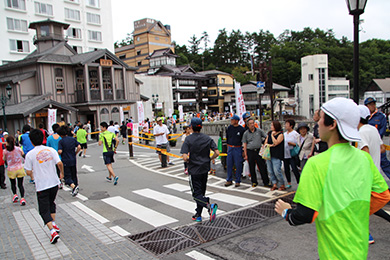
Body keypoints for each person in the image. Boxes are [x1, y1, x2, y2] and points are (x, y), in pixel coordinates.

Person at [274, 97, 390, 259]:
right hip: (360, 251)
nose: (317, 123)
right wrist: (355, 212)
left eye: (321, 118)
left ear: (333, 124)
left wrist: (286, 211)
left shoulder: (316, 164)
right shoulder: (365, 159)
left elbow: (306, 214)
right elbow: (383, 195)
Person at [24, 129, 65, 244]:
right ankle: (54, 223)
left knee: (43, 210)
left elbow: (27, 171)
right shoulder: (51, 150)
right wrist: (61, 173)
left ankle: (52, 231)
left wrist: (33, 174)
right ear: (43, 138)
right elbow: (60, 163)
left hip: (42, 185)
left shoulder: (30, 155)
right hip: (54, 183)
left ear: (31, 141)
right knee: (51, 202)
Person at [357, 105, 390, 244]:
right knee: (368, 206)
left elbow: (365, 155)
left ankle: (367, 235)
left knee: (360, 207)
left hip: (366, 176)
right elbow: (382, 149)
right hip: (376, 173)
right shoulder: (372, 129)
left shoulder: (360, 133)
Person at [180, 117, 219, 223]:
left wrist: (189, 159)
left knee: (196, 194)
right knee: (201, 192)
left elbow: (184, 157)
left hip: (194, 170)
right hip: (205, 169)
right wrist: (209, 159)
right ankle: (198, 215)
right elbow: (217, 153)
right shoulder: (207, 138)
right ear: (201, 127)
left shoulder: (188, 139)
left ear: (191, 127)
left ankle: (209, 206)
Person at [365, 97, 390, 180]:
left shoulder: (380, 116)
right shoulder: (365, 117)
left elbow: (382, 131)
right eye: (370, 104)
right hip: (366, 144)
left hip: (377, 143)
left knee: (384, 163)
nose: (372, 106)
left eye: (373, 104)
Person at [242, 118, 270, 187]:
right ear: (248, 125)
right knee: (252, 167)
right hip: (250, 151)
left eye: (253, 123)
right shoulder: (246, 133)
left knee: (262, 167)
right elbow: (244, 144)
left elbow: (266, 136)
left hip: (258, 150)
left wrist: (264, 144)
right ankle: (254, 181)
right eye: (250, 124)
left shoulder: (259, 131)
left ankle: (266, 182)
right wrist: (245, 154)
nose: (252, 125)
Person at [58, 126, 81, 197]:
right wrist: (75, 153)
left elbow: (60, 151)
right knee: (74, 174)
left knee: (67, 176)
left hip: (65, 160)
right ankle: (76, 186)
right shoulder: (72, 139)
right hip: (73, 159)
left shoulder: (61, 141)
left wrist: (58, 153)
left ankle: (74, 187)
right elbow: (79, 147)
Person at [4, 135, 26, 205]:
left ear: (7, 142)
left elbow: (4, 159)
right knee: (20, 184)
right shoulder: (18, 149)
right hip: (19, 168)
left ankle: (15, 195)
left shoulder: (5, 151)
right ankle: (22, 198)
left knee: (13, 184)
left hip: (11, 169)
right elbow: (23, 155)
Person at [225, 115, 245, 187]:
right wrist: (228, 148)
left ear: (236, 121)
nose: (231, 121)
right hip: (230, 147)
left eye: (233, 120)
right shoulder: (229, 128)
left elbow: (243, 141)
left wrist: (243, 151)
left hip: (238, 147)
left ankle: (238, 180)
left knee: (238, 164)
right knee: (229, 164)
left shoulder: (241, 129)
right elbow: (227, 138)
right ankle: (229, 179)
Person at [264, 120, 285, 190]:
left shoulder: (280, 134)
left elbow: (276, 143)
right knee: (270, 170)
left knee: (277, 171)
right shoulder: (269, 133)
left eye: (272, 125)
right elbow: (265, 143)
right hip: (269, 154)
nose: (271, 127)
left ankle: (282, 183)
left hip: (277, 154)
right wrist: (270, 145)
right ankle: (274, 183)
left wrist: (273, 136)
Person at [283, 119, 300, 188]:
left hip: (292, 154)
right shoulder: (284, 134)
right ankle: (289, 182)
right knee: (286, 169)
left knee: (294, 168)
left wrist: (292, 144)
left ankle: (299, 182)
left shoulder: (295, 134)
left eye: (287, 124)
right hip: (285, 153)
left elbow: (298, 143)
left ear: (291, 126)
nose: (285, 126)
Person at [46, 124, 63, 188]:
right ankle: (61, 181)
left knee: (55, 170)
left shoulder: (49, 138)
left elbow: (47, 147)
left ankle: (57, 182)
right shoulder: (61, 137)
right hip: (61, 156)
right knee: (60, 170)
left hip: (52, 157)